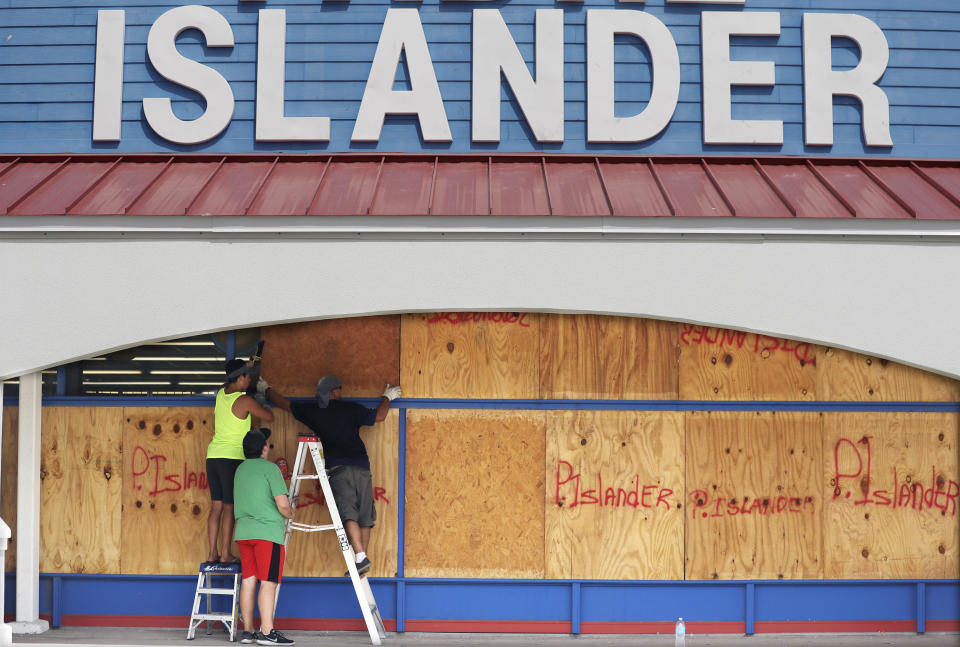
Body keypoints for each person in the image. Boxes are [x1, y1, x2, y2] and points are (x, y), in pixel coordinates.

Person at [257, 375, 400, 575]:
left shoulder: (314, 412)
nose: (341, 391)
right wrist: (387, 397)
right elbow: (379, 416)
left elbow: (286, 404)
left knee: (348, 513)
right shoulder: (351, 409)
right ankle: (361, 558)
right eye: (339, 388)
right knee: (364, 516)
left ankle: (360, 558)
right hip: (361, 467)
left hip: (339, 470)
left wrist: (265, 389)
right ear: (334, 391)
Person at [207, 358, 274, 564]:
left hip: (213, 456)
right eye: (247, 376)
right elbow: (269, 417)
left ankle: (212, 554)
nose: (249, 380)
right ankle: (226, 554)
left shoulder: (220, 394)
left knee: (216, 507)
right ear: (240, 378)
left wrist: (248, 367)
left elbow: (228, 381)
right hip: (232, 458)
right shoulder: (244, 400)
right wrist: (260, 401)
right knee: (229, 507)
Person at [234, 428, 295, 646]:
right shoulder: (270, 469)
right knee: (268, 582)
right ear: (264, 448)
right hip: (267, 534)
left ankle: (248, 631)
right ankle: (268, 632)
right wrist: (291, 513)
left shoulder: (240, 469)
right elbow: (283, 505)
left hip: (243, 533)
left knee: (249, 580)